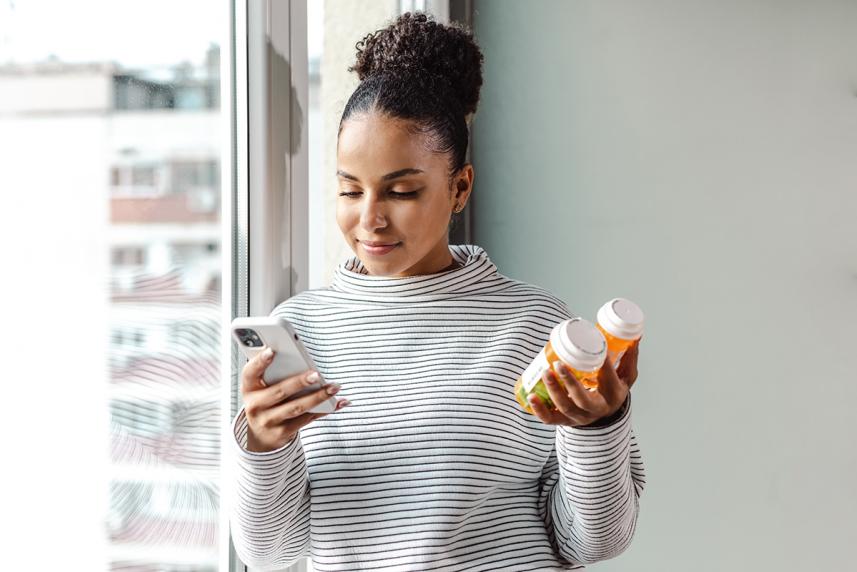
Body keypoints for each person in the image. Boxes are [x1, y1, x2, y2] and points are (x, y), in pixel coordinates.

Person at [228, 12, 645, 571]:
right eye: (350, 190)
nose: (369, 219)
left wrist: (597, 428)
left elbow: (594, 542)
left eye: (400, 191)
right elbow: (272, 554)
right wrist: (263, 444)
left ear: (459, 188)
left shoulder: (533, 325)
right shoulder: (300, 330)